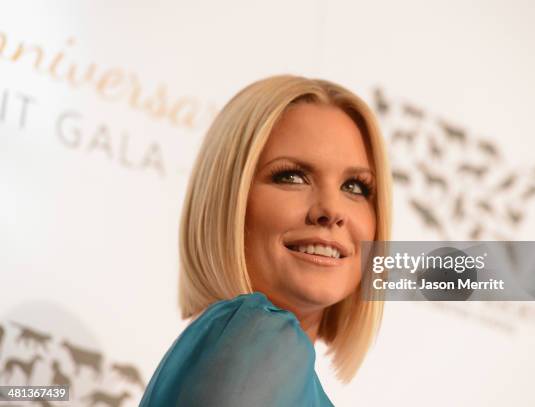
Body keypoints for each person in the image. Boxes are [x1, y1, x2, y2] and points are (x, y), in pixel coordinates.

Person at [139, 74, 393, 406]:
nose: (331, 210)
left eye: (355, 187)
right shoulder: (260, 337)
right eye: (291, 176)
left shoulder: (246, 346)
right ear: (230, 200)